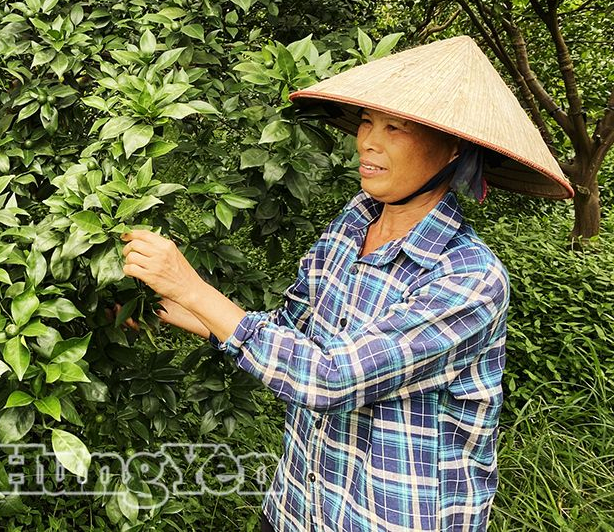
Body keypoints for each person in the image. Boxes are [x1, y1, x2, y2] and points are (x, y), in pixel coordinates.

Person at [117, 36, 573, 531]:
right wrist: (173, 306)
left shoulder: (468, 278)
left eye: (395, 128)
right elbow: (295, 332)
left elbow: (329, 377)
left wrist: (193, 287)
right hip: (302, 502)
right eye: (366, 122)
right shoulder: (354, 224)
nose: (368, 142)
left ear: (452, 148)